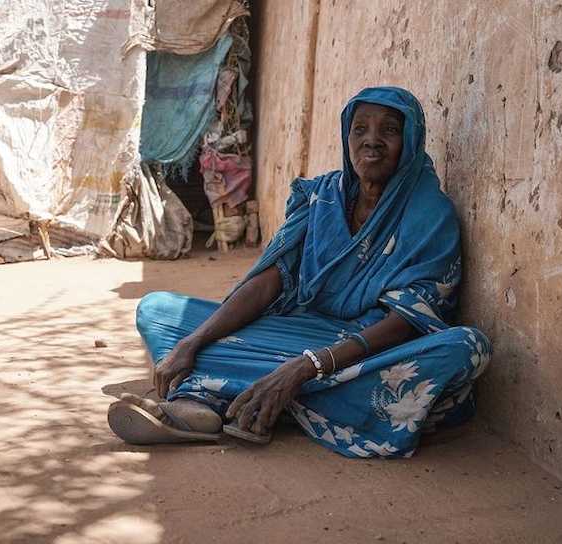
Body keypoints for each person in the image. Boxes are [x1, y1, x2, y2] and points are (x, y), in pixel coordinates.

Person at [108, 86, 492, 458]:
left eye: (389, 130)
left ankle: (215, 397)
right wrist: (191, 342)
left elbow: (406, 323)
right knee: (158, 308)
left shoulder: (429, 214)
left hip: (368, 347)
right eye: (360, 129)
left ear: (410, 140)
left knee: (465, 348)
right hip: (298, 329)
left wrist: (308, 366)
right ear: (346, 137)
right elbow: (270, 283)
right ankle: (258, 399)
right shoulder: (320, 197)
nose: (372, 141)